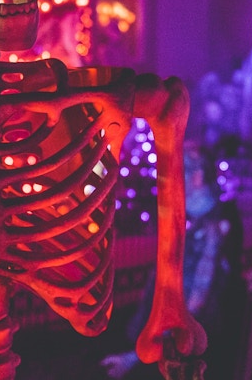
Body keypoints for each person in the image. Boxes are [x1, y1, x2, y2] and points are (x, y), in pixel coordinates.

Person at [101, 144, 244, 379]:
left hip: (187, 348)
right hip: (163, 335)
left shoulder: (213, 227)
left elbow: (197, 303)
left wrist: (136, 358)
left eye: (179, 171)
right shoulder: (187, 216)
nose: (171, 179)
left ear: (197, 176)